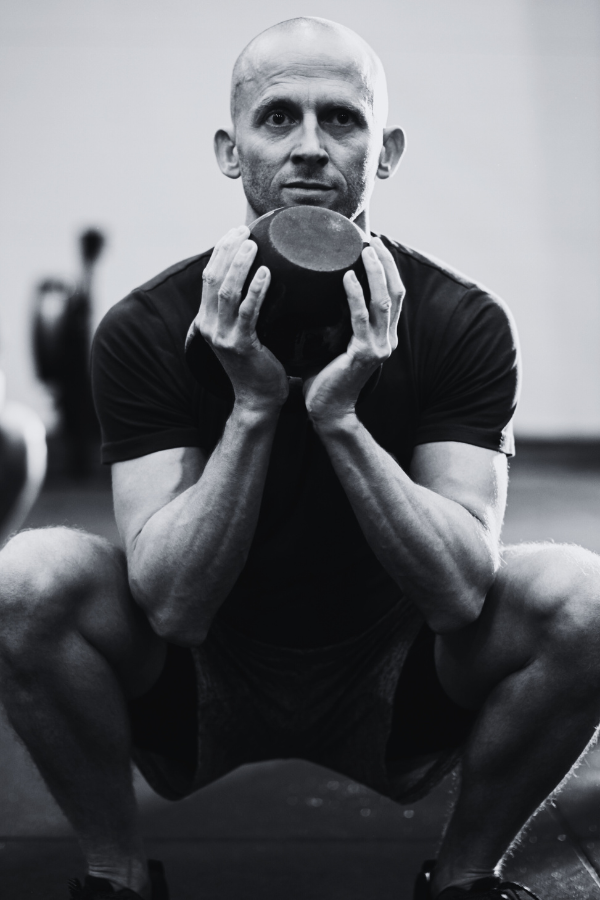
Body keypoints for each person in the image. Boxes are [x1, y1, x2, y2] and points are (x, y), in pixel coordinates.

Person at [1, 17, 599, 900]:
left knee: (583, 603)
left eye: (343, 120)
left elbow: (461, 591)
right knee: (28, 579)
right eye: (278, 119)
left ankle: (468, 878)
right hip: (200, 677)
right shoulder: (146, 327)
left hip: (396, 673)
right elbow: (170, 607)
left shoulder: (464, 322)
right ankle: (116, 874)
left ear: (386, 150)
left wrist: (341, 422)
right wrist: (252, 407)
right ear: (230, 149)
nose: (311, 149)